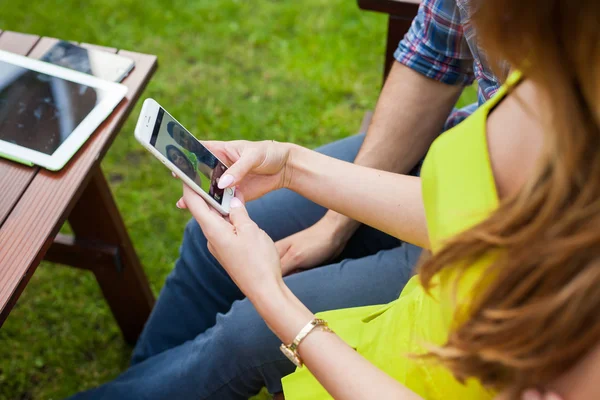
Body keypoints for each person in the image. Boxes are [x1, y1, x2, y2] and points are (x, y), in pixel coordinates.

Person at [68, 0, 561, 398]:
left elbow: (496, 221)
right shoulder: (505, 134)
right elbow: (438, 57)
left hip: (504, 255)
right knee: (210, 236)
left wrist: (271, 297)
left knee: (251, 330)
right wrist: (297, 175)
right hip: (466, 197)